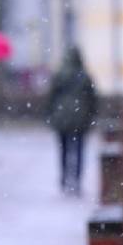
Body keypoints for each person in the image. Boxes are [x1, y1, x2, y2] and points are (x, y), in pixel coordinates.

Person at [45, 47, 98, 195]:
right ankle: (77, 179)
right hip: (80, 117)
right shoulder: (85, 76)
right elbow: (93, 99)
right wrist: (92, 115)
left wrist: (49, 115)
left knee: (63, 149)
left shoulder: (60, 75)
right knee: (79, 149)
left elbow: (51, 98)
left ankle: (63, 178)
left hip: (61, 116)